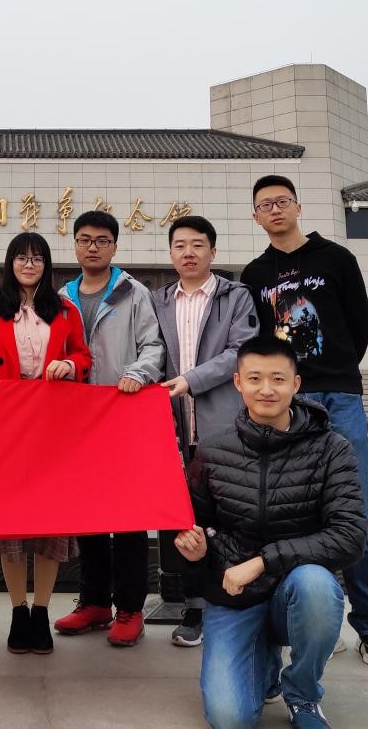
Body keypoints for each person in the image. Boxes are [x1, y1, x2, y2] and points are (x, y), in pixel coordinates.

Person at [239, 174, 368, 668]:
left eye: (282, 201)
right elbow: (260, 340)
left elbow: (359, 323)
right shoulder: (255, 274)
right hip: (288, 398)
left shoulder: (336, 258)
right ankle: (307, 615)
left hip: (339, 394)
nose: (275, 210)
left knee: (356, 510)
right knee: (290, 508)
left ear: (298, 206)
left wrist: (336, 368)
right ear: (256, 217)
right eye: (265, 205)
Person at [177, 336, 366, 729]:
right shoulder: (211, 451)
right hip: (235, 596)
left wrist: (263, 562)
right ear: (237, 383)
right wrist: (197, 553)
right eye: (255, 378)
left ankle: (303, 695)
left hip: (294, 589)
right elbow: (199, 524)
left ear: (296, 384)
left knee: (317, 586)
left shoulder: (331, 448)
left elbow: (349, 536)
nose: (266, 389)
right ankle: (263, 663)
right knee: (230, 718)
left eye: (278, 379)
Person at [0, 231, 92, 654]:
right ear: (10, 263)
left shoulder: (65, 309)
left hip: (51, 430)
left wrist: (68, 364)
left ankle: (41, 611)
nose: (29, 264)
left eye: (37, 258)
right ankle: (17, 610)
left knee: (48, 526)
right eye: (21, 258)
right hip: (6, 428)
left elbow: (83, 356)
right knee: (12, 528)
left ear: (46, 264)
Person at [53, 210, 165, 647]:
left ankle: (131, 607)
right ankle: (95, 602)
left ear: (115, 246)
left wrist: (138, 373)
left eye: (102, 240)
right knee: (89, 514)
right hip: (76, 422)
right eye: (85, 239)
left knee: (129, 516)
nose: (93, 247)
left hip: (123, 416)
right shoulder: (61, 297)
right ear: (75, 245)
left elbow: (154, 345)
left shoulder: (133, 293)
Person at [152, 215, 258, 649]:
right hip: (173, 427)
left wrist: (191, 380)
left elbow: (240, 351)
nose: (188, 252)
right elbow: (152, 352)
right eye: (180, 245)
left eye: (197, 245)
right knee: (185, 518)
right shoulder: (158, 300)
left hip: (223, 424)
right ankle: (194, 606)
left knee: (230, 515)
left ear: (213, 252)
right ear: (170, 254)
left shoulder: (236, 296)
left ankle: (234, 600)